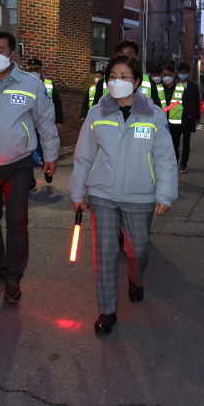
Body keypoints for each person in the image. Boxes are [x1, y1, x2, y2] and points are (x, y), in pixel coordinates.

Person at [69, 55, 177, 335]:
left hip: (140, 195)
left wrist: (164, 194)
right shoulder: (97, 114)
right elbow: (83, 155)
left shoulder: (154, 114)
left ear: (137, 81)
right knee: (104, 255)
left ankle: (135, 276)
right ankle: (107, 311)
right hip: (103, 194)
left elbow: (165, 157)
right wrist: (78, 191)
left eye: (124, 76)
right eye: (112, 76)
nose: (117, 82)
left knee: (138, 250)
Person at [0, 31, 60, 304]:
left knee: (17, 221)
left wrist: (50, 157)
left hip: (18, 164)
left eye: (2, 49)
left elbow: (45, 123)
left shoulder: (31, 85)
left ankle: (14, 276)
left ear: (13, 54)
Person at [25, 58, 63, 193]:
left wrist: (58, 121)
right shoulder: (24, 84)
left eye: (35, 69)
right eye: (31, 69)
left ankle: (47, 170)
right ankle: (30, 182)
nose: (33, 72)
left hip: (44, 124)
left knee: (43, 150)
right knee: (27, 155)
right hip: (29, 126)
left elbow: (57, 103)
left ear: (41, 70)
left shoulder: (49, 84)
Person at [90, 40, 161, 108]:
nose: (125, 58)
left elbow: (156, 110)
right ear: (116, 57)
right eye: (122, 55)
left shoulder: (149, 83)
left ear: (136, 56)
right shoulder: (103, 82)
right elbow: (96, 110)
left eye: (129, 55)